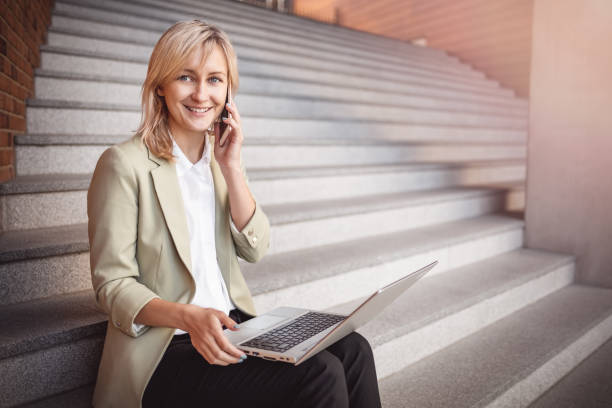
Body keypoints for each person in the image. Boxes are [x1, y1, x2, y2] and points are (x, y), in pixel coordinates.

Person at [87, 20, 382, 408]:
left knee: (353, 348)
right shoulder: (124, 164)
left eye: (214, 80)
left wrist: (232, 167)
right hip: (167, 349)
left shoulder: (218, 162)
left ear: (228, 91)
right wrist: (189, 317)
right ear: (161, 85)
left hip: (232, 330)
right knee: (319, 374)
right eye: (185, 77)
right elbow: (112, 285)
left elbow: (256, 247)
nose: (201, 94)